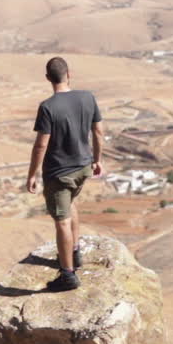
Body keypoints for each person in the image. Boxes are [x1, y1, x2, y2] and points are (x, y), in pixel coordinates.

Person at [26, 56, 104, 291]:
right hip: (83, 167)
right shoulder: (87, 97)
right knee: (70, 203)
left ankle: (68, 274)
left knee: (62, 221)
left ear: (47, 78)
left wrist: (32, 175)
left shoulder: (48, 107)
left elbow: (41, 145)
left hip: (59, 173)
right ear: (69, 74)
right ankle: (74, 252)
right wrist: (97, 160)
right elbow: (98, 132)